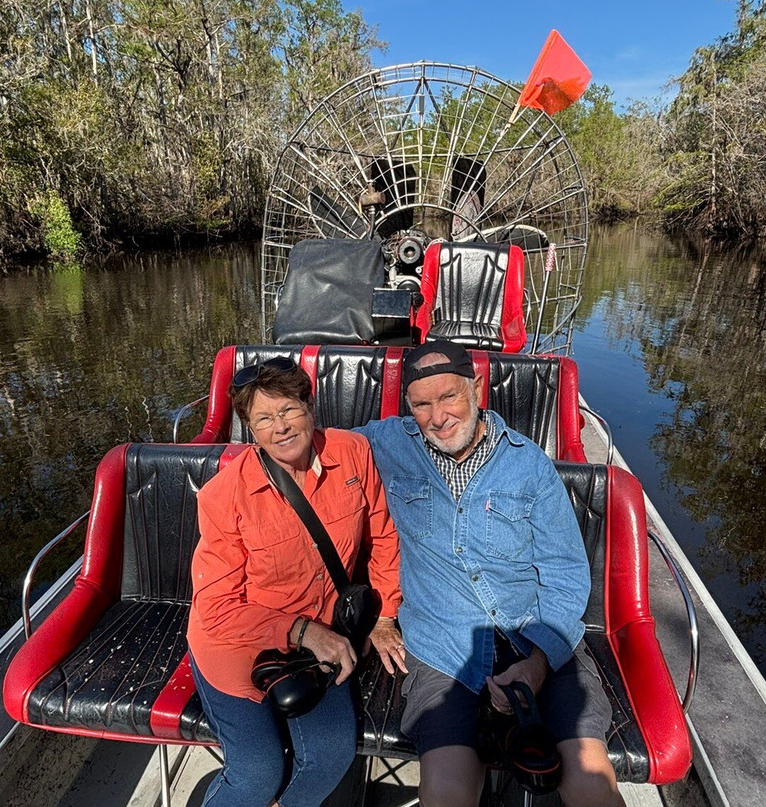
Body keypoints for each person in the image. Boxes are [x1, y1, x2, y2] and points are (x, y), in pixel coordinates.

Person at [357, 341, 624, 807]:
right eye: (422, 404)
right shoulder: (388, 443)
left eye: (449, 397)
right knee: (446, 793)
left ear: (477, 389)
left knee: (591, 788)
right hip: (444, 649)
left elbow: (564, 574)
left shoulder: (529, 466)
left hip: (537, 637)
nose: (438, 417)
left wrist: (540, 662)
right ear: (408, 406)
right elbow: (306, 440)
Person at [186, 356, 405, 807]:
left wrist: (384, 618)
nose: (280, 427)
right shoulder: (223, 497)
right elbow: (217, 609)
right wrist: (303, 630)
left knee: (329, 755)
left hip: (317, 650)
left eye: (288, 410)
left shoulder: (352, 454)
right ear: (250, 428)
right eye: (263, 418)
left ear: (310, 405)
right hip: (236, 646)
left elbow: (383, 536)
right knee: (256, 776)